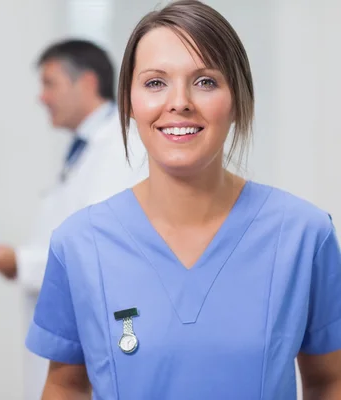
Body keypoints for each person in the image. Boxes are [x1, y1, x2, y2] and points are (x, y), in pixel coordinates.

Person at [25, 1, 341, 399]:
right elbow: (65, 386)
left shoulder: (303, 236)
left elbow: (330, 379)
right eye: (155, 82)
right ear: (129, 102)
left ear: (238, 100)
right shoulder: (79, 244)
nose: (179, 102)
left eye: (205, 81)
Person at [0, 39, 147, 399]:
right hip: (66, 338)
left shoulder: (120, 148)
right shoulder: (84, 150)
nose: (41, 97)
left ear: (88, 83)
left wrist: (17, 262)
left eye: (49, 83)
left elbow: (97, 251)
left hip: (94, 340)